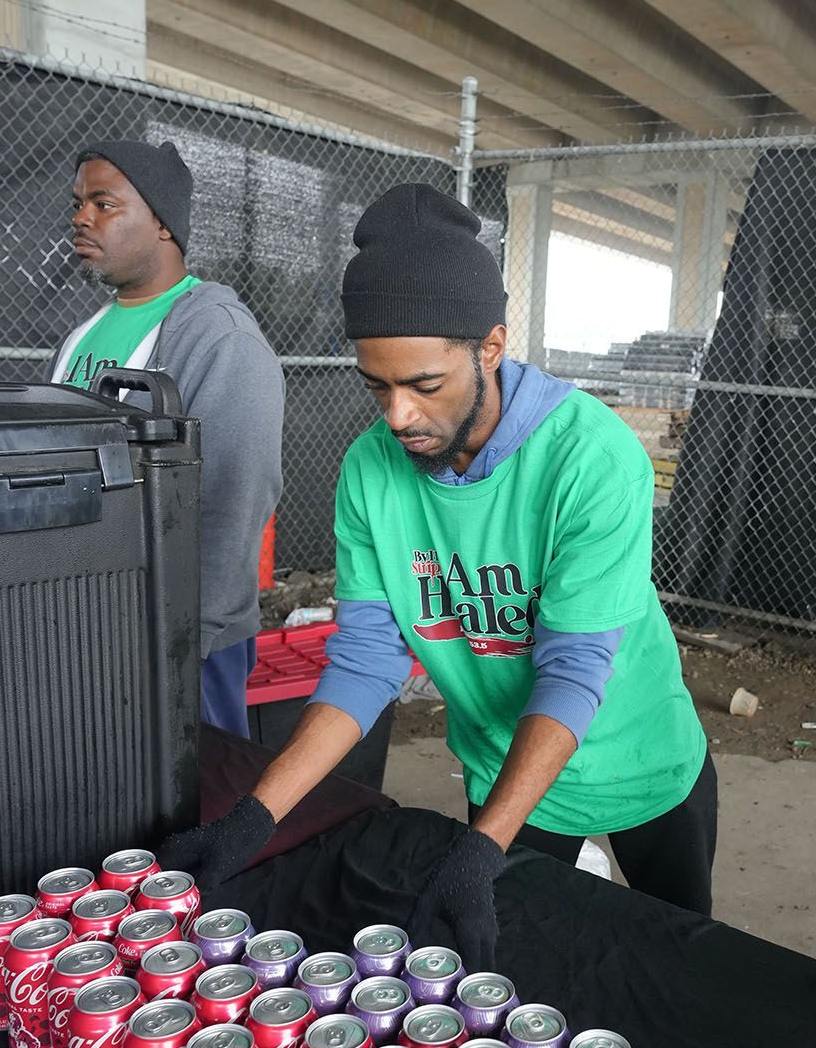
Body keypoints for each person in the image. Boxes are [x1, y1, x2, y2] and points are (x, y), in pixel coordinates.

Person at [159, 182, 714, 966]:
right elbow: (364, 662)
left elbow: (575, 665)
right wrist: (257, 815)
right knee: (515, 968)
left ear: (490, 345)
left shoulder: (592, 457)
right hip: (501, 762)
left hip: (641, 757)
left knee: (679, 961)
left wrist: (483, 846)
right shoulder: (369, 472)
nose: (397, 417)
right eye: (376, 386)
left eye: (424, 385)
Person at [49, 138, 284, 735]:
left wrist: (189, 637)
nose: (80, 217)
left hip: (182, 633)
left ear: (161, 222)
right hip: (88, 617)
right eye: (78, 202)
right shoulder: (82, 335)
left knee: (195, 799)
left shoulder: (217, 335)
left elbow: (236, 496)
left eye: (103, 203)